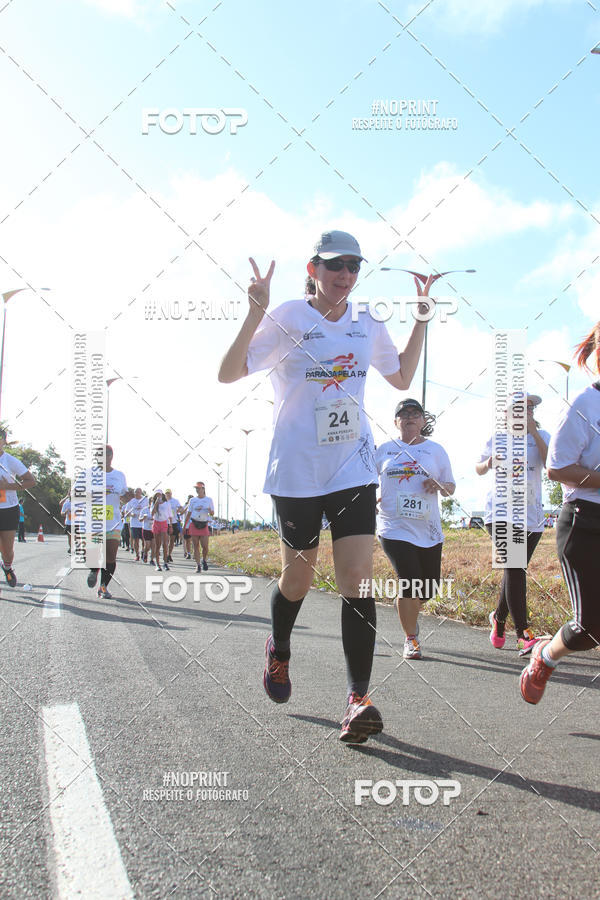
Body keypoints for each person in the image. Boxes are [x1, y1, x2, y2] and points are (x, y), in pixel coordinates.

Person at [218, 229, 432, 744]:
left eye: (354, 266)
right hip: (297, 469)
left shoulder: (366, 323)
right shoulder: (287, 316)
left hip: (353, 466)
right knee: (299, 579)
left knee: (358, 580)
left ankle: (358, 698)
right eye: (335, 265)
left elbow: (401, 377)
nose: (346, 275)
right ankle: (279, 648)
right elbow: (228, 373)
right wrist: (253, 311)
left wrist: (421, 322)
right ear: (313, 268)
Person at [521, 322, 600, 702]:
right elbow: (557, 468)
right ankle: (545, 656)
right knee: (590, 630)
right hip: (585, 522)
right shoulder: (585, 404)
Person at [376, 398, 455, 660]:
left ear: (423, 420)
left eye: (415, 413)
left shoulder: (436, 450)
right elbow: (365, 478)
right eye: (403, 413)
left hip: (428, 529)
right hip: (393, 527)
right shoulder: (384, 450)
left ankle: (408, 613)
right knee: (409, 580)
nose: (409, 417)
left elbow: (450, 487)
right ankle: (411, 638)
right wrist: (371, 495)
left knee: (429, 588)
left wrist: (439, 485)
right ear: (396, 421)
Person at [476, 394, 550, 655]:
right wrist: (489, 462)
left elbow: (551, 464)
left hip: (531, 516)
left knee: (514, 569)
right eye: (520, 408)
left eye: (530, 408)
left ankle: (498, 618)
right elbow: (478, 468)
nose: (526, 411)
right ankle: (523, 634)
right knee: (515, 565)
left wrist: (534, 433)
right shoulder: (497, 437)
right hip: (500, 513)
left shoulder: (543, 436)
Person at [83, 445, 128, 600]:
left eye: (103, 455)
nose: (99, 458)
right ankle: (93, 570)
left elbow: (123, 495)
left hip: (113, 521)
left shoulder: (119, 475)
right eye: (97, 455)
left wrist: (130, 497)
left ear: (111, 456)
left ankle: (103, 587)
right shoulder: (89, 474)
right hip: (94, 519)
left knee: (110, 556)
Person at [0, 428, 35, 586]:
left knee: (7, 550)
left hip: (8, 509)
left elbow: (31, 481)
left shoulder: (10, 461)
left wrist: (8, 486)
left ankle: (7, 567)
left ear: (4, 441)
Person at [183, 482, 214, 572]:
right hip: (194, 523)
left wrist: (209, 511)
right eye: (196, 488)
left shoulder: (209, 499)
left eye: (199, 488)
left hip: (204, 524)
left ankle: (204, 560)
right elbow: (188, 513)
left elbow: (212, 513)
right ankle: (198, 565)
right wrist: (185, 526)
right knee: (195, 545)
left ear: (203, 489)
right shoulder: (192, 500)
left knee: (205, 546)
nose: (197, 490)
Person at [150, 490, 172, 571]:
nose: (159, 496)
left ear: (162, 495)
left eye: (160, 494)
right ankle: (158, 564)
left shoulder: (167, 504)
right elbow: (152, 513)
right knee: (157, 544)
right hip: (156, 523)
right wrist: (156, 503)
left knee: (165, 544)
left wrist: (170, 526)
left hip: (164, 523)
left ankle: (165, 563)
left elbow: (170, 516)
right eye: (157, 495)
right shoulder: (153, 504)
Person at [126, 488, 146, 561]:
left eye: (139, 492)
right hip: (134, 524)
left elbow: (149, 509)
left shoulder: (145, 500)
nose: (137, 493)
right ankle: (137, 554)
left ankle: (143, 551)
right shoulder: (131, 501)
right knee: (136, 540)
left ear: (141, 492)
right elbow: (126, 512)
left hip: (143, 524)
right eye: (136, 492)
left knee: (144, 540)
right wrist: (131, 514)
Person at [165, 489, 183, 562]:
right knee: (166, 540)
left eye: (169, 493)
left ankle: (169, 554)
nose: (168, 494)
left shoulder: (175, 501)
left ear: (171, 494)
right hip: (165, 522)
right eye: (166, 493)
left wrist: (179, 509)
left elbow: (180, 508)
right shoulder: (163, 501)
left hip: (174, 521)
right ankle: (165, 554)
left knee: (172, 540)